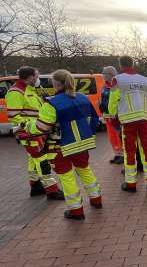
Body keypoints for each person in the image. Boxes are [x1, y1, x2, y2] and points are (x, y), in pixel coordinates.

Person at [26, 70, 102, 220]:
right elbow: (94, 120)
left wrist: (27, 126)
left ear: (56, 83)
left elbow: (42, 127)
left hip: (61, 146)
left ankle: (76, 210)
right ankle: (96, 199)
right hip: (82, 144)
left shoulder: (52, 103)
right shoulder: (83, 98)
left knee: (67, 177)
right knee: (85, 171)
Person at [5, 66, 63, 200]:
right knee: (41, 160)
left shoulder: (29, 90)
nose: (37, 79)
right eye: (36, 76)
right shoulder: (16, 92)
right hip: (29, 133)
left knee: (33, 159)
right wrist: (31, 125)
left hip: (35, 132)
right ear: (30, 77)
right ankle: (52, 190)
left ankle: (36, 185)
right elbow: (14, 116)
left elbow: (35, 109)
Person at [108, 55, 147, 192]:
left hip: (128, 122)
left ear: (121, 65)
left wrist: (113, 115)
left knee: (129, 151)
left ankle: (131, 183)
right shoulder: (145, 80)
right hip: (144, 120)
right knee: (146, 149)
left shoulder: (117, 80)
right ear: (132, 64)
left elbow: (112, 102)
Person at [99, 66, 123, 164]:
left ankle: (122, 155)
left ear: (111, 75)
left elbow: (119, 100)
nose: (103, 76)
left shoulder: (117, 85)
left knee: (118, 136)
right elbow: (102, 98)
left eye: (104, 74)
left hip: (115, 116)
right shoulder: (104, 86)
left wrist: (116, 113)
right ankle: (117, 154)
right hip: (107, 115)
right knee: (111, 137)